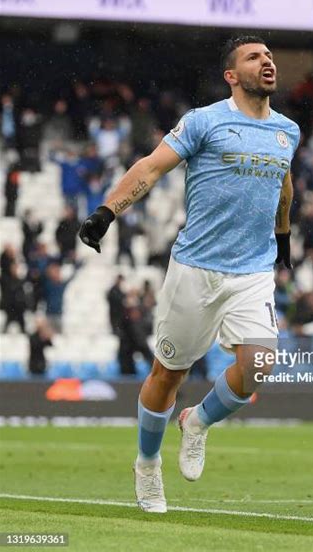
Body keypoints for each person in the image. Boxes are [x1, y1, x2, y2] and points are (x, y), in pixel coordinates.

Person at [79, 36, 300, 513]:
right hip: (196, 268)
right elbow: (152, 167)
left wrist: (283, 237)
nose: (267, 62)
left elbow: (284, 183)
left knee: (259, 364)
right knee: (167, 374)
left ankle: (197, 422)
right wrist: (106, 212)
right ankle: (147, 465)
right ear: (231, 75)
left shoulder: (288, 130)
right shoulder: (205, 121)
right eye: (254, 57)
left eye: (269, 56)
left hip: (253, 270)